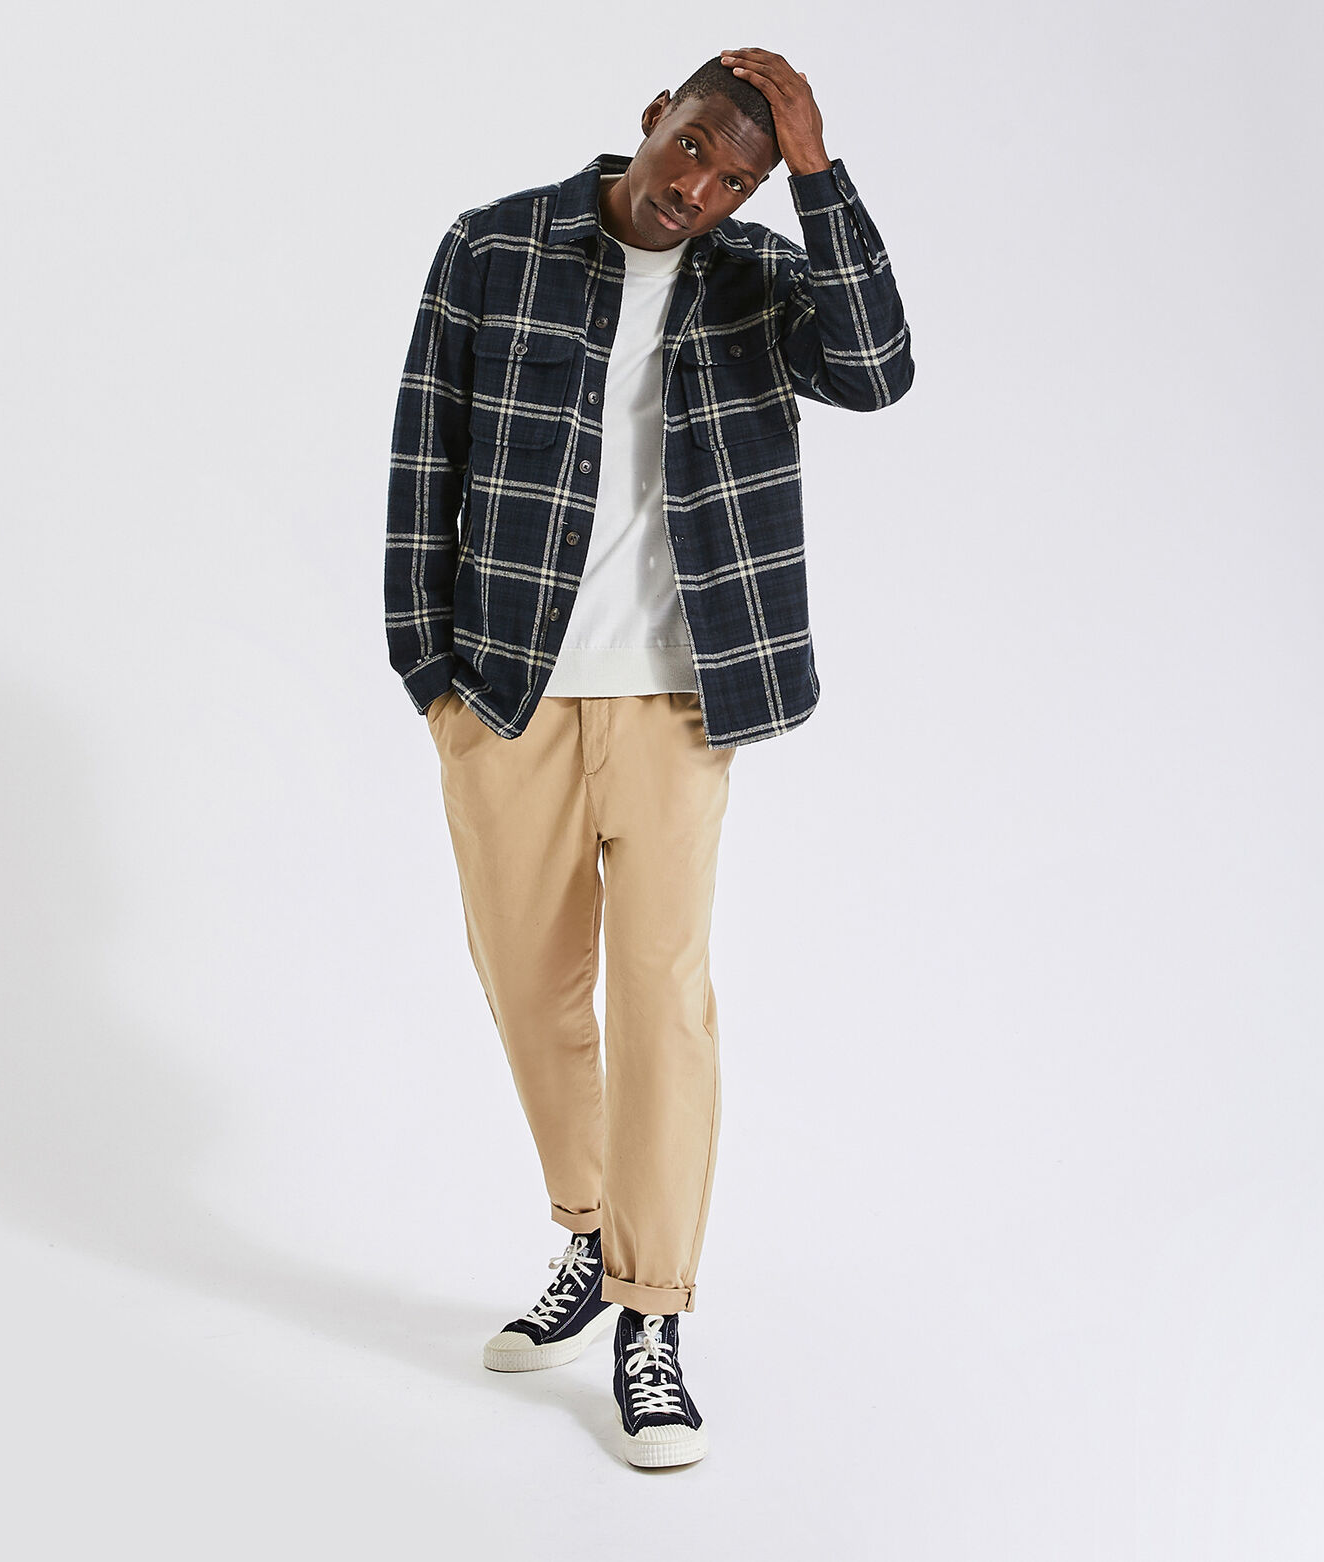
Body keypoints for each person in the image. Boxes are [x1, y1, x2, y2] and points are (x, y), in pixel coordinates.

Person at [385, 46, 915, 1468]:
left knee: (661, 1001)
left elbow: (878, 371)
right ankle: (591, 1229)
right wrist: (429, 672)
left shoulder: (762, 278)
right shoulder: (494, 246)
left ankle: (650, 1315)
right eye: (692, 148)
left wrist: (816, 174)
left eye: (735, 176)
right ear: (650, 120)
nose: (699, 188)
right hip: (506, 692)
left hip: (679, 702)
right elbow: (424, 456)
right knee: (528, 988)